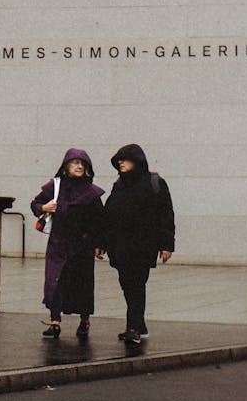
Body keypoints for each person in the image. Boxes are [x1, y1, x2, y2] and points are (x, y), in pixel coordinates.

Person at [96, 144, 175, 344]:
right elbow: (109, 215)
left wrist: (166, 245)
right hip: (120, 246)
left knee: (136, 284)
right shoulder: (119, 185)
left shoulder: (154, 183)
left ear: (136, 160)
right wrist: (102, 242)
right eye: (118, 160)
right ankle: (138, 324)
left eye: (124, 159)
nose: (120, 163)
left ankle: (133, 327)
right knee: (127, 284)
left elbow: (165, 215)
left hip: (143, 245)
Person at [31, 148, 105, 338]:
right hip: (58, 244)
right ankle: (55, 321)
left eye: (82, 163)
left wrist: (98, 243)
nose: (79, 166)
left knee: (83, 284)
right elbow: (35, 204)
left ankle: (84, 320)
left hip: (82, 246)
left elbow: (99, 221)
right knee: (55, 282)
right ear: (66, 166)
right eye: (75, 163)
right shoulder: (55, 186)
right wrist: (44, 207)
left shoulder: (92, 192)